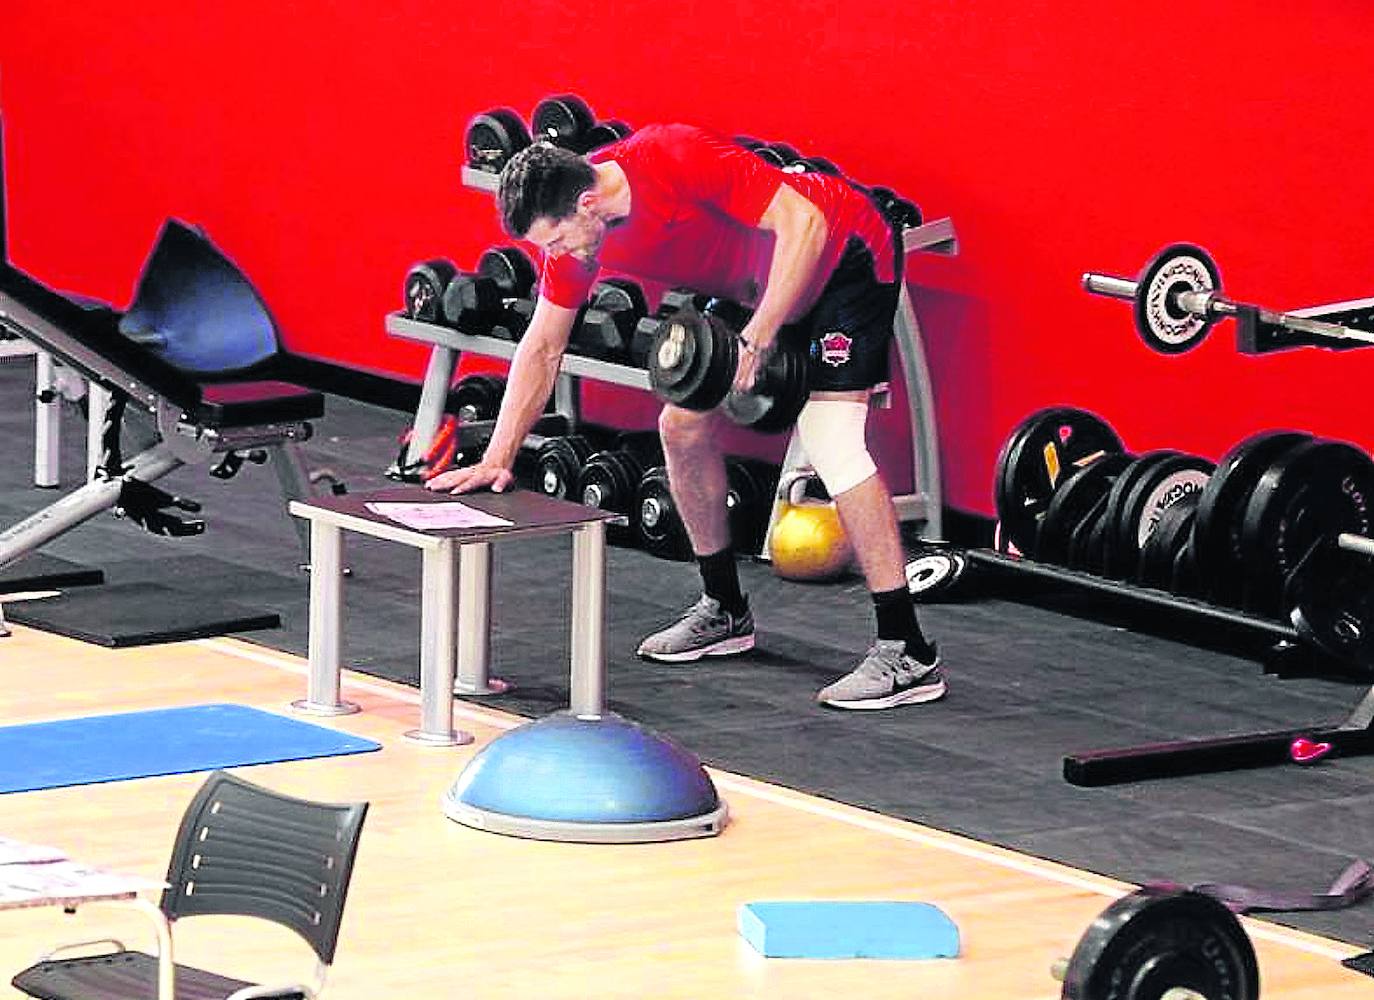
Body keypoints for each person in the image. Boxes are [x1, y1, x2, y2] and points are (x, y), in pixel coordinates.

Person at [426, 124, 944, 710]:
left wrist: (758, 339)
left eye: (558, 241)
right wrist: (497, 457)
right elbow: (543, 346)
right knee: (680, 427)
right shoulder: (579, 233)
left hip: (842, 254)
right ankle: (724, 609)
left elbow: (806, 225)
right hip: (756, 285)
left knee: (830, 438)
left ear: (586, 202)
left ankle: (907, 650)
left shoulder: (673, 157)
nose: (557, 256)